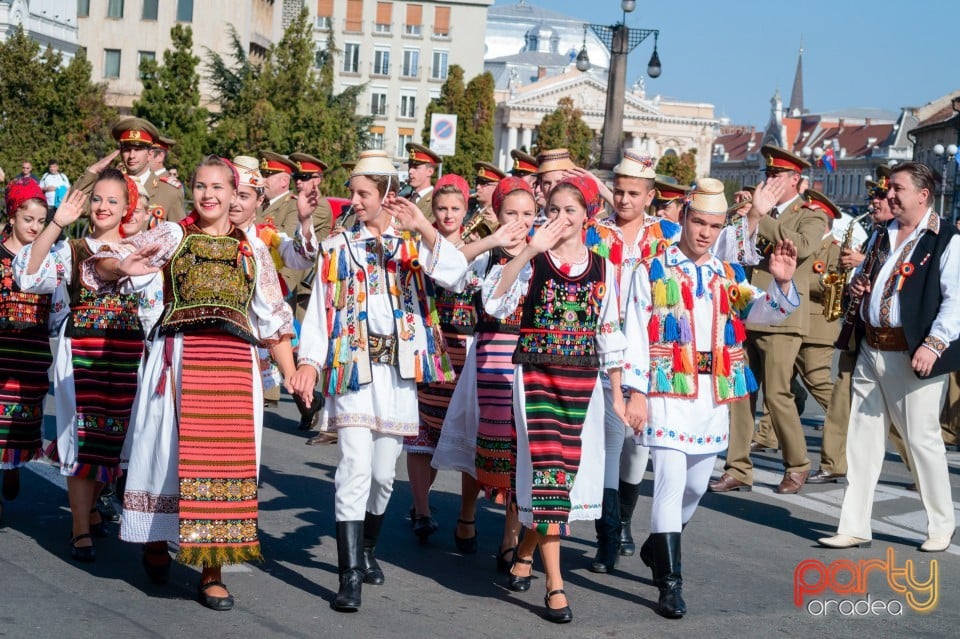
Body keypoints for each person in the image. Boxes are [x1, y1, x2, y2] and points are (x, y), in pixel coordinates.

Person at [88, 156, 296, 611]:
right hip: (179, 361)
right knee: (166, 452)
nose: (209, 195)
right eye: (201, 186)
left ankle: (211, 570)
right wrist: (123, 267)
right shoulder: (173, 235)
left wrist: (295, 373)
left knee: (225, 465)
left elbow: (273, 319)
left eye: (219, 188)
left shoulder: (253, 248)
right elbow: (106, 264)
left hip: (234, 367)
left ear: (235, 194)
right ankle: (158, 538)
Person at [289, 150, 468, 613]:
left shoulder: (413, 249)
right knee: (353, 467)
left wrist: (424, 228)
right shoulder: (339, 247)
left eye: (364, 193)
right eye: (353, 191)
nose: (355, 200)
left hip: (399, 376)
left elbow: (455, 276)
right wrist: (308, 361)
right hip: (354, 370)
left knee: (383, 476)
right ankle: (349, 575)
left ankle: (367, 548)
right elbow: (322, 308)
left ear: (388, 195)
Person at [621, 178, 799, 618]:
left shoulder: (727, 273)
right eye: (698, 222)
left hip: (711, 394)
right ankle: (669, 583)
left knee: (696, 487)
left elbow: (763, 311)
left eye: (714, 226)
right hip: (667, 388)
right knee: (668, 483)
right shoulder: (651, 269)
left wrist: (780, 285)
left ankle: (658, 547)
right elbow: (635, 335)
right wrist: (637, 393)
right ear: (683, 216)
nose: (704, 233)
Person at [484, 175, 626, 624]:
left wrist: (619, 394)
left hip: (582, 382)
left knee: (560, 478)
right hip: (537, 377)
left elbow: (610, 333)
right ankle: (556, 585)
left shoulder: (605, 268)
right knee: (548, 472)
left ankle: (525, 551)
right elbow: (494, 301)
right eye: (554, 211)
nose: (560, 220)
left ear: (589, 215)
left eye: (570, 211)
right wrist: (526, 248)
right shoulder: (534, 260)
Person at [818, 162, 959, 553]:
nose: (888, 195)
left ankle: (941, 525)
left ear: (922, 195)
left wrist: (934, 344)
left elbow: (956, 301)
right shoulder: (883, 233)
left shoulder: (945, 238)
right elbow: (876, 281)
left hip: (913, 352)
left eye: (896, 188)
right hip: (871, 346)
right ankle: (854, 524)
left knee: (922, 440)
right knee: (862, 440)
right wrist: (860, 284)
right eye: (889, 188)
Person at [14, 171, 139, 563]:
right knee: (81, 434)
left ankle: (95, 505)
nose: (103, 207)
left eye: (112, 201)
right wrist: (55, 224)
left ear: (126, 208)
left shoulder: (142, 248)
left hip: (127, 349)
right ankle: (79, 528)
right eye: (98, 199)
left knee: (116, 435)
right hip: (82, 345)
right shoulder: (74, 248)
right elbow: (30, 274)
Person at [432, 177, 539, 573]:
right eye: (511, 213)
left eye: (527, 214)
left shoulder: (539, 253)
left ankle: (510, 536)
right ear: (497, 213)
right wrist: (494, 241)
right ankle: (466, 512)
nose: (520, 221)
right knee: (483, 444)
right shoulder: (487, 253)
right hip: (488, 356)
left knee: (519, 451)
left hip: (524, 360)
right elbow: (449, 266)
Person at [709, 144, 828, 495]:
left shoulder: (811, 214)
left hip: (783, 316)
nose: (770, 180)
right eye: (768, 174)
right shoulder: (756, 211)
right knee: (742, 394)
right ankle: (738, 468)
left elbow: (803, 247)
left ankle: (798, 464)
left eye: (777, 175)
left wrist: (761, 216)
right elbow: (730, 248)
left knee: (778, 395)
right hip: (746, 309)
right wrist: (751, 216)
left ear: (796, 180)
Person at [582, 150, 680, 573]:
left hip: (653, 348)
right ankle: (607, 535)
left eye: (633, 193)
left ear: (650, 195)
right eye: (619, 191)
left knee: (638, 444)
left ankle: (623, 521)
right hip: (605, 347)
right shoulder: (595, 233)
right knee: (609, 439)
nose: (623, 200)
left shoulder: (668, 236)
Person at [0, 179, 55, 524]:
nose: (34, 228)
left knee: (21, 422)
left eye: (40, 221)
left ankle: (13, 465)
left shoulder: (48, 260)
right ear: (12, 216)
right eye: (28, 220)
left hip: (33, 352)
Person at [72, 118, 187, 224]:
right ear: (121, 152)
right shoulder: (108, 186)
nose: (132, 155)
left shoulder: (169, 192)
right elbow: (73, 206)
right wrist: (93, 171)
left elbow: (180, 236)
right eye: (127, 149)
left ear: (150, 154)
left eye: (138, 149)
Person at [405, 143, 440, 221]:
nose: (410, 171)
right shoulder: (406, 199)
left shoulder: (437, 200)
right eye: (409, 167)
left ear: (430, 171)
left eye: (416, 167)